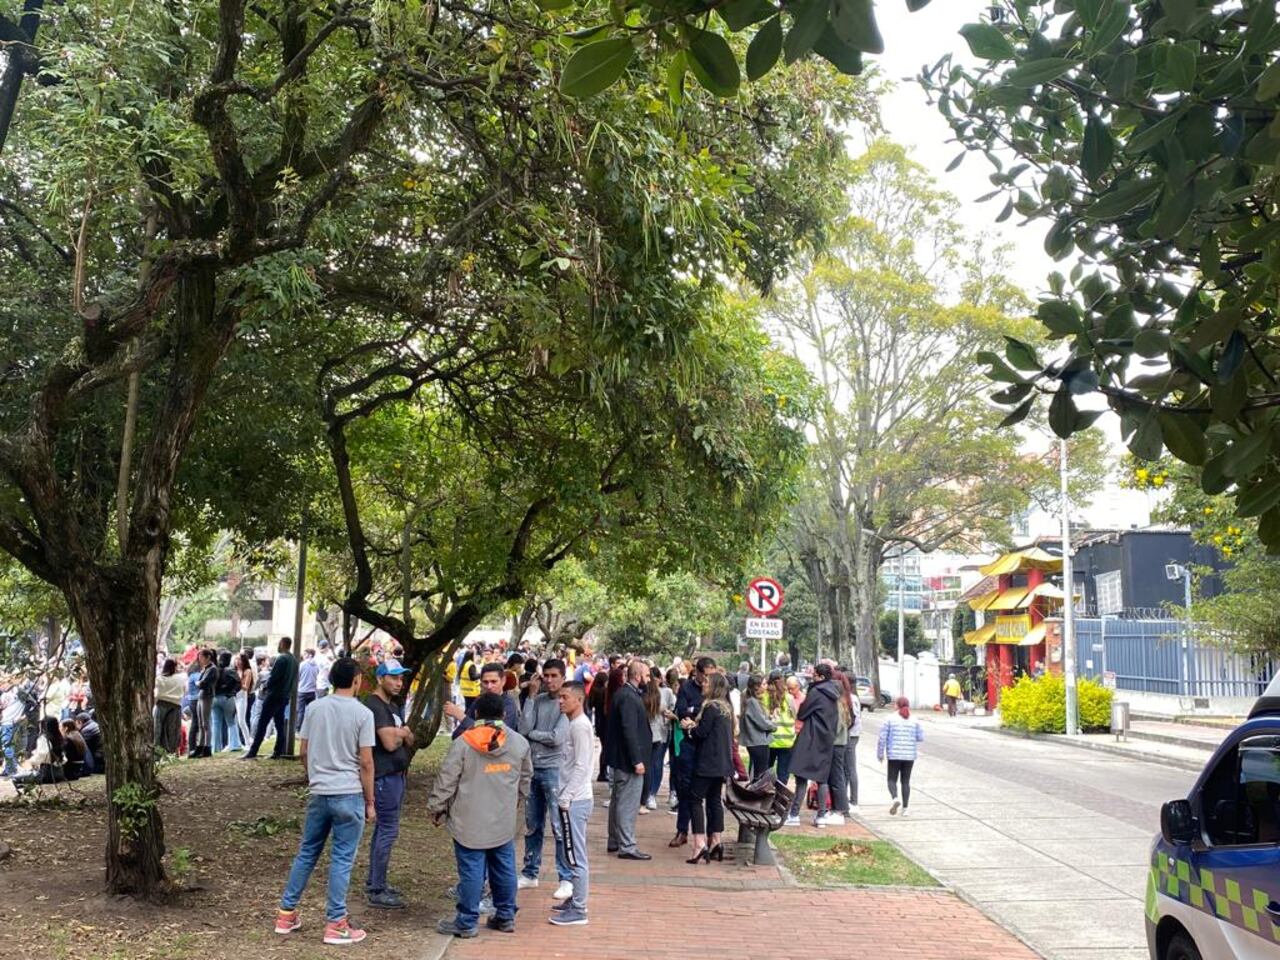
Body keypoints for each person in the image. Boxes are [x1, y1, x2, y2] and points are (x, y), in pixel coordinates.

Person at [274, 656, 375, 946]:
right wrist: (370, 801)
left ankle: (286, 914)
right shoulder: (362, 714)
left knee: (307, 853)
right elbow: (366, 762)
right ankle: (336, 923)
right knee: (342, 858)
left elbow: (304, 751)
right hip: (349, 793)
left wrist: (313, 776)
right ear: (356, 680)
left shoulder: (315, 708)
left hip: (319, 793)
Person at [427, 691, 532, 938]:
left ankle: (467, 922)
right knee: (505, 867)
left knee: (472, 871)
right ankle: (505, 917)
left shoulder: (464, 743)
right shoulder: (519, 743)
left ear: (475, 714)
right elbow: (526, 779)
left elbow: (446, 780)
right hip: (503, 819)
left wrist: (436, 807)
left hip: (468, 820)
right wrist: (516, 801)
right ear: (504, 714)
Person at [518, 659, 572, 900]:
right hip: (533, 768)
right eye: (546, 676)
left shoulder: (566, 703)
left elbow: (556, 737)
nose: (549, 681)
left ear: (562, 677)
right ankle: (530, 871)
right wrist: (530, 696)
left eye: (554, 676)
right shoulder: (537, 701)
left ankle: (566, 877)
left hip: (554, 770)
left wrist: (533, 734)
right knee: (532, 824)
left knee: (559, 827)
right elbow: (523, 728)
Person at [365, 658, 415, 909]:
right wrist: (401, 734)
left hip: (396, 774)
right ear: (380, 678)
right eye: (393, 677)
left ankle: (376, 881)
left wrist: (402, 734)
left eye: (401, 677)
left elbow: (409, 738)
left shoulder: (392, 707)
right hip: (384, 777)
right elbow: (389, 742)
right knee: (387, 830)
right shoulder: (375, 707)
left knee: (384, 830)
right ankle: (377, 887)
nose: (399, 682)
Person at [550, 681, 592, 926]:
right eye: (560, 697)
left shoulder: (580, 727)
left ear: (578, 699)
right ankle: (575, 899)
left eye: (565, 697)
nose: (561, 701)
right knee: (570, 852)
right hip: (570, 797)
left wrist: (567, 797)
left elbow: (582, 765)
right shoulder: (573, 724)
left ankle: (579, 908)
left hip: (575, 800)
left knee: (575, 855)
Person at [682, 673, 733, 864]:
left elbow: (701, 733)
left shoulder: (711, 707)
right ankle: (716, 841)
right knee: (714, 800)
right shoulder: (725, 708)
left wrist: (689, 727)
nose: (703, 685)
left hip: (707, 763)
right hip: (722, 764)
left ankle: (699, 842)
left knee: (695, 799)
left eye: (706, 683)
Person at [604, 659, 651, 860]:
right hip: (628, 760)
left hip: (621, 759)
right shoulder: (629, 697)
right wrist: (637, 760)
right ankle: (627, 845)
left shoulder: (624, 694)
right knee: (627, 803)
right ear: (638, 676)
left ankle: (616, 840)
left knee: (619, 800)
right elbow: (629, 730)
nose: (648, 679)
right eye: (647, 675)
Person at [786, 662, 839, 826]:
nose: (812, 677)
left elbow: (802, 712)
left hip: (810, 737)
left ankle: (794, 814)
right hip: (827, 739)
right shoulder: (834, 692)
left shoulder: (816, 691)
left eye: (814, 675)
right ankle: (821, 816)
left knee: (801, 776)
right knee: (822, 778)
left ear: (821, 677)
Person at [670, 656, 715, 848]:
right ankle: (682, 830)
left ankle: (713, 834)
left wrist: (694, 714)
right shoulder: (687, 687)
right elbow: (681, 712)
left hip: (708, 747)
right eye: (705, 675)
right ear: (697, 672)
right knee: (685, 788)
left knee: (712, 793)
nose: (707, 681)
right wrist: (696, 714)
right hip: (689, 745)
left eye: (711, 676)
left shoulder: (717, 689)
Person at [244, 637, 299, 760]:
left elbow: (274, 677)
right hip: (284, 696)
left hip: (274, 695)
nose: (278, 646)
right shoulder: (293, 660)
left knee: (263, 722)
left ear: (283, 644)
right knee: (279, 724)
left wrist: (265, 686)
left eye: (279, 644)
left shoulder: (282, 659)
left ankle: (253, 751)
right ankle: (277, 751)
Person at [815, 672, 852, 827]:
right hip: (840, 743)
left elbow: (836, 727)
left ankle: (840, 809)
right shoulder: (843, 702)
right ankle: (837, 808)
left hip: (836, 744)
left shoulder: (838, 704)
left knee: (836, 777)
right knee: (835, 776)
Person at [878, 696, 924, 817]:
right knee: (905, 781)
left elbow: (882, 737)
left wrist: (880, 753)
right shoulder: (915, 720)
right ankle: (905, 808)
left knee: (891, 780)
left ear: (897, 705)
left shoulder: (889, 719)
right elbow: (920, 737)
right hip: (909, 756)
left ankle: (895, 798)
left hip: (894, 755)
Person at [445, 662, 520, 735]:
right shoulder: (478, 701)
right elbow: (457, 734)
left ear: (503, 681)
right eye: (485, 682)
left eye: (494, 682)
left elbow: (497, 735)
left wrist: (462, 717)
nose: (489, 686)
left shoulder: (509, 705)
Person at [641, 670, 674, 811]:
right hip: (646, 733)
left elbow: (672, 708)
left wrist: (668, 715)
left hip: (661, 732)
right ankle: (645, 793)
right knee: (647, 765)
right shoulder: (641, 693)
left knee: (656, 763)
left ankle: (652, 793)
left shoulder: (666, 692)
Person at [739, 674, 776, 780]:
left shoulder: (750, 700)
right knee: (761, 772)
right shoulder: (752, 702)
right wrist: (773, 726)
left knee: (759, 770)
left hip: (756, 740)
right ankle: (757, 793)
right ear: (756, 686)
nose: (766, 686)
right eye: (763, 684)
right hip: (757, 741)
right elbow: (761, 722)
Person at [765, 672, 796, 785]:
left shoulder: (765, 697)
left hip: (770, 740)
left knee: (766, 771)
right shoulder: (789, 698)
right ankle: (780, 797)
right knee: (783, 773)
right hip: (786, 741)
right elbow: (794, 715)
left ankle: (765, 794)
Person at [13, 716, 64, 785]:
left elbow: (43, 754)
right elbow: (63, 758)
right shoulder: (60, 738)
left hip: (46, 774)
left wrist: (30, 761)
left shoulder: (44, 738)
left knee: (15, 777)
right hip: (59, 773)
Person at [154, 658, 185, 755]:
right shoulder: (180, 679)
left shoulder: (159, 678)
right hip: (176, 705)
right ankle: (173, 751)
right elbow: (184, 690)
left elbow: (156, 692)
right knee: (173, 730)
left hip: (162, 704)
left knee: (158, 728)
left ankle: (157, 750)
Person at [213, 651, 242, 752]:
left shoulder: (214, 669)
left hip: (215, 698)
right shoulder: (231, 671)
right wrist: (232, 693)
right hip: (227, 698)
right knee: (231, 722)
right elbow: (239, 683)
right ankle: (234, 744)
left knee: (216, 723)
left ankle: (215, 747)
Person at [194, 648, 217, 758]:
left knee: (205, 723)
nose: (200, 660)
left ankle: (207, 747)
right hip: (201, 696)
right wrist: (199, 683)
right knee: (201, 724)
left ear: (208, 657)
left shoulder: (212, 669)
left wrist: (199, 683)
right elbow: (199, 682)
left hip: (207, 696)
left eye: (201, 657)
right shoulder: (205, 669)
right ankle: (200, 746)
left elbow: (203, 683)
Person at [0, 681, 24, 777]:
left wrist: (22, 716)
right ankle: (8, 768)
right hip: (5, 721)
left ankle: (12, 769)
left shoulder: (18, 691)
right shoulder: (5, 694)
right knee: (7, 746)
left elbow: (31, 703)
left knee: (7, 746)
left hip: (9, 722)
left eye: (2, 683)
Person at [296, 649, 319, 730]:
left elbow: (297, 677)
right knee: (310, 711)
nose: (303, 655)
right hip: (312, 690)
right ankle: (309, 727)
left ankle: (299, 728)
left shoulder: (302, 664)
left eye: (305, 654)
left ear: (310, 655)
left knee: (300, 711)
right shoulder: (316, 665)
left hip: (302, 690)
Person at [236, 652, 255, 747]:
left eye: (239, 659)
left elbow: (246, 687)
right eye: (236, 659)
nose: (237, 662)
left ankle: (248, 742)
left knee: (241, 721)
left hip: (242, 697)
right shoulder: (235, 671)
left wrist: (238, 680)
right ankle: (237, 742)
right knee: (235, 721)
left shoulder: (247, 671)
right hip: (234, 696)